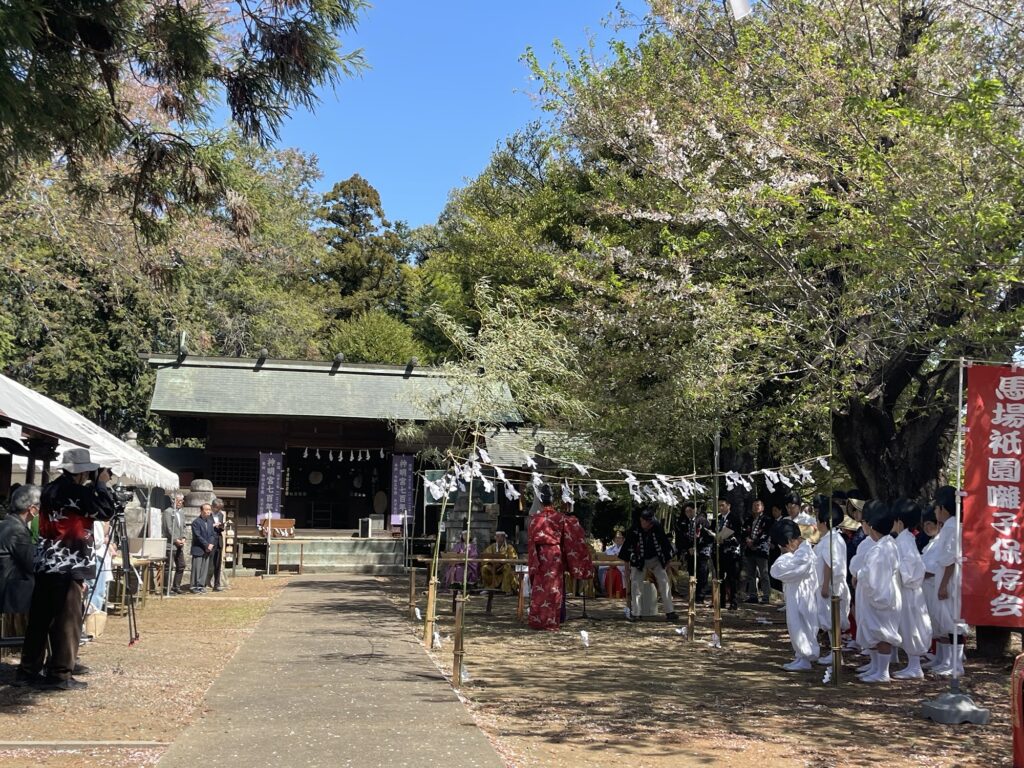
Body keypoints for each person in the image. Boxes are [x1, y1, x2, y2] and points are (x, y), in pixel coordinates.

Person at [16, 449, 116, 689]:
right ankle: (60, 673)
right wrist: (101, 484)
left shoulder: (48, 490)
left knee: (39, 620)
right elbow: (106, 511)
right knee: (67, 620)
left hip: (45, 562)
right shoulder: (78, 493)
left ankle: (27, 670)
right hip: (69, 562)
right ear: (81, 472)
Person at [527, 484, 594, 630]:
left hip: (540, 554)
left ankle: (539, 620)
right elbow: (570, 537)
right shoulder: (560, 517)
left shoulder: (534, 519)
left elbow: (531, 539)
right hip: (555, 554)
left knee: (540, 588)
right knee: (554, 588)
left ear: (540, 500)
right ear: (553, 501)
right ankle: (553, 619)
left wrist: (533, 558)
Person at [853, 504, 902, 683]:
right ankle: (876, 668)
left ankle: (882, 672)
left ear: (872, 526)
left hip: (881, 595)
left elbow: (871, 574)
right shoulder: (887, 545)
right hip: (881, 593)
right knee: (873, 632)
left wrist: (859, 574)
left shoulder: (881, 549)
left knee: (882, 633)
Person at [769, 518, 820, 671]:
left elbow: (780, 570)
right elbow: (777, 570)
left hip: (804, 595)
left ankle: (806, 657)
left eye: (784, 545)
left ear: (792, 540)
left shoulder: (805, 554)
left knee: (803, 625)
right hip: (794, 592)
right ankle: (800, 656)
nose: (784, 549)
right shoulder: (797, 553)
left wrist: (786, 557)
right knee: (794, 624)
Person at [891, 499, 932, 679]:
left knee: (912, 625)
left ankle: (915, 666)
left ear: (899, 522)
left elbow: (909, 568)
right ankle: (912, 664)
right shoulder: (904, 540)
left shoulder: (904, 542)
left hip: (909, 589)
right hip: (907, 589)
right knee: (908, 625)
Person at [926, 486, 963, 677]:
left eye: (936, 508)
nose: (934, 512)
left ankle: (956, 664)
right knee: (946, 621)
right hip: (945, 578)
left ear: (943, 509)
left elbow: (950, 559)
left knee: (952, 620)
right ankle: (949, 661)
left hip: (949, 580)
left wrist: (942, 585)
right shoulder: (949, 526)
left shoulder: (951, 526)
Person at [620, 507, 678, 622]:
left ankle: (670, 611)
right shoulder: (634, 529)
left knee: (664, 583)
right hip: (638, 560)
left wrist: (667, 563)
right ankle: (636, 612)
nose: (643, 523)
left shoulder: (657, 527)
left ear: (650, 522)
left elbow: (665, 545)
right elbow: (626, 548)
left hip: (656, 559)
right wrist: (626, 568)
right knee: (636, 585)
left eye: (646, 521)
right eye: (642, 520)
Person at [812, 497, 850, 665]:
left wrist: (825, 585)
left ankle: (837, 654)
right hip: (829, 584)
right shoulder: (830, 538)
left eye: (819, 520)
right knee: (828, 620)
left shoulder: (832, 540)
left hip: (831, 586)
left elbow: (829, 563)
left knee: (832, 619)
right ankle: (835, 652)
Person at [0, 484, 40, 636]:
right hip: (11, 587)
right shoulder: (16, 530)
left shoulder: (8, 523)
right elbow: (31, 562)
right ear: (32, 509)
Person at [675, 502, 712, 603]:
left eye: (690, 511)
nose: (688, 513)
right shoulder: (685, 522)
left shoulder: (702, 521)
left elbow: (706, 537)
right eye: (686, 511)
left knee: (702, 573)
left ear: (695, 510)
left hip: (702, 550)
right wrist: (688, 548)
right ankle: (693, 594)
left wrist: (697, 548)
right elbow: (682, 537)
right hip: (690, 551)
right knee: (692, 572)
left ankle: (700, 595)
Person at [714, 498, 743, 610]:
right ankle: (721, 601)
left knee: (732, 578)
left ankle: (733, 601)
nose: (721, 508)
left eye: (723, 505)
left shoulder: (734, 518)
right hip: (720, 551)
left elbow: (738, 534)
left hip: (732, 552)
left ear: (728, 506)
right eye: (719, 506)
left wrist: (726, 539)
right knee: (720, 576)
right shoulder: (718, 518)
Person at [742, 499, 772, 604]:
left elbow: (766, 534)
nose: (756, 507)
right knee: (751, 574)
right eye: (754, 505)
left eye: (758, 505)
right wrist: (748, 540)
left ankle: (766, 596)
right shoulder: (748, 519)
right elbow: (744, 531)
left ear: (762, 507)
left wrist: (755, 542)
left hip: (761, 550)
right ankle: (753, 595)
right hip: (749, 550)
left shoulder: (767, 520)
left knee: (763, 574)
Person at [190, 503, 216, 594]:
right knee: (197, 568)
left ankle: (201, 585)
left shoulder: (210, 522)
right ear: (201, 511)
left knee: (204, 568)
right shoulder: (196, 522)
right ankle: (194, 586)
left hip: (208, 548)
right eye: (206, 509)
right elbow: (198, 536)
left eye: (209, 509)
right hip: (198, 548)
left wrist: (211, 544)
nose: (208, 511)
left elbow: (213, 534)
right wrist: (206, 544)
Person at [163, 493, 186, 595]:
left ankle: (176, 586)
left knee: (181, 565)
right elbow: (168, 528)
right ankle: (166, 588)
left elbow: (184, 527)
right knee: (169, 566)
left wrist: (184, 538)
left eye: (181, 501)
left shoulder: (181, 513)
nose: (180, 503)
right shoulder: (168, 512)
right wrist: (175, 540)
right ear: (173, 501)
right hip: (170, 544)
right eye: (178, 501)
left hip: (180, 544)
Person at [598, 529, 626, 598]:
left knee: (615, 573)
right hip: (610, 569)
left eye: (620, 538)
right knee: (609, 572)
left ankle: (618, 593)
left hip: (623, 571)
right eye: (616, 538)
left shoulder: (626, 549)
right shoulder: (609, 550)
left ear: (623, 539)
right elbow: (603, 560)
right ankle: (609, 593)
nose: (618, 539)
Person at [207, 497, 227, 592]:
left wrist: (221, 526)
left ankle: (217, 584)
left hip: (218, 540)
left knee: (218, 564)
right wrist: (213, 525)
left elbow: (221, 528)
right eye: (217, 508)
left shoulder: (221, 515)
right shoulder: (208, 514)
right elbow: (204, 526)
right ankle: (205, 582)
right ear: (213, 507)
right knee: (209, 563)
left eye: (220, 508)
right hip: (210, 541)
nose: (219, 510)